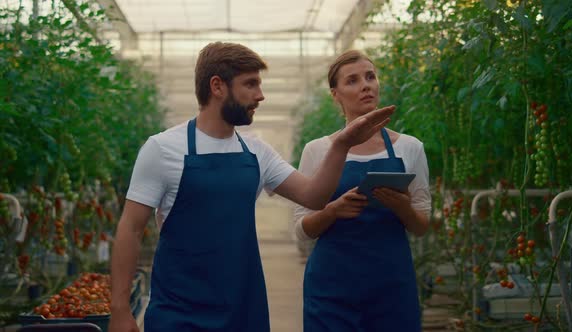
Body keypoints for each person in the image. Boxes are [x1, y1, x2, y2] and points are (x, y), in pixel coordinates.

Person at [108, 42, 394, 332]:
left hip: (244, 311)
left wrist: (341, 145)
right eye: (250, 84)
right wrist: (120, 309)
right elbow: (130, 228)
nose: (260, 95)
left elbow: (313, 195)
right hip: (180, 313)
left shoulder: (257, 152)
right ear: (217, 86)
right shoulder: (163, 148)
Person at [293, 50, 431, 332]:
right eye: (352, 81)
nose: (366, 85)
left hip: (391, 283)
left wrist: (402, 207)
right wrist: (332, 211)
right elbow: (302, 229)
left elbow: (422, 225)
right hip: (331, 285)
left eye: (370, 77)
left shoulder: (409, 147)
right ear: (336, 94)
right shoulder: (318, 150)